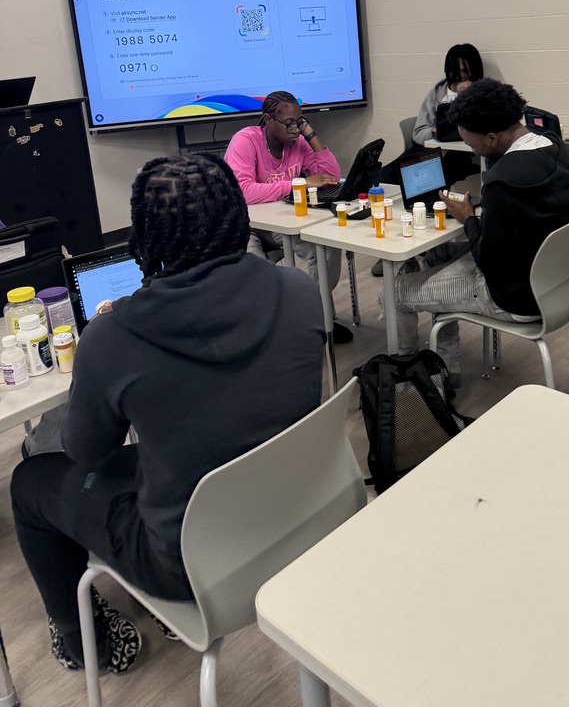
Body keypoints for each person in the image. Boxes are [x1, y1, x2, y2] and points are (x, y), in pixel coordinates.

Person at [11, 153, 325, 672]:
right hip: (299, 515)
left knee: (29, 482)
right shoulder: (300, 288)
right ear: (238, 217)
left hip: (188, 565)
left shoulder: (113, 337)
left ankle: (80, 638)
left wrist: (101, 361)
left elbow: (87, 451)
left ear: (144, 239)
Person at [386, 78, 569, 386]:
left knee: (394, 293)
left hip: (513, 296)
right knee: (438, 254)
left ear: (492, 138)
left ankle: (408, 380)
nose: (471, 148)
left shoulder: (501, 181)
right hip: (557, 281)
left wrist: (468, 218)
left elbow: (487, 262)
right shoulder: (554, 146)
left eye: (471, 144)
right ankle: (447, 367)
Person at [225, 90, 352, 342]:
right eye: (290, 123)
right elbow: (244, 191)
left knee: (327, 248)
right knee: (257, 271)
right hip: (245, 226)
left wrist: (311, 135)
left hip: (281, 224)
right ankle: (272, 331)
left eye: (300, 122)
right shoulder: (246, 140)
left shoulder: (299, 143)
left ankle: (317, 317)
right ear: (268, 119)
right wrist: (299, 184)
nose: (296, 129)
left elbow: (331, 177)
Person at [373, 44, 484, 276]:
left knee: (432, 185)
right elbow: (418, 132)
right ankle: (397, 248)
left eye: (467, 72)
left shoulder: (483, 92)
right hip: (430, 150)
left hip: (462, 155)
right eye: (457, 73)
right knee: (387, 176)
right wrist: (436, 131)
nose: (463, 78)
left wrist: (472, 99)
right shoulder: (437, 94)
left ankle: (427, 245)